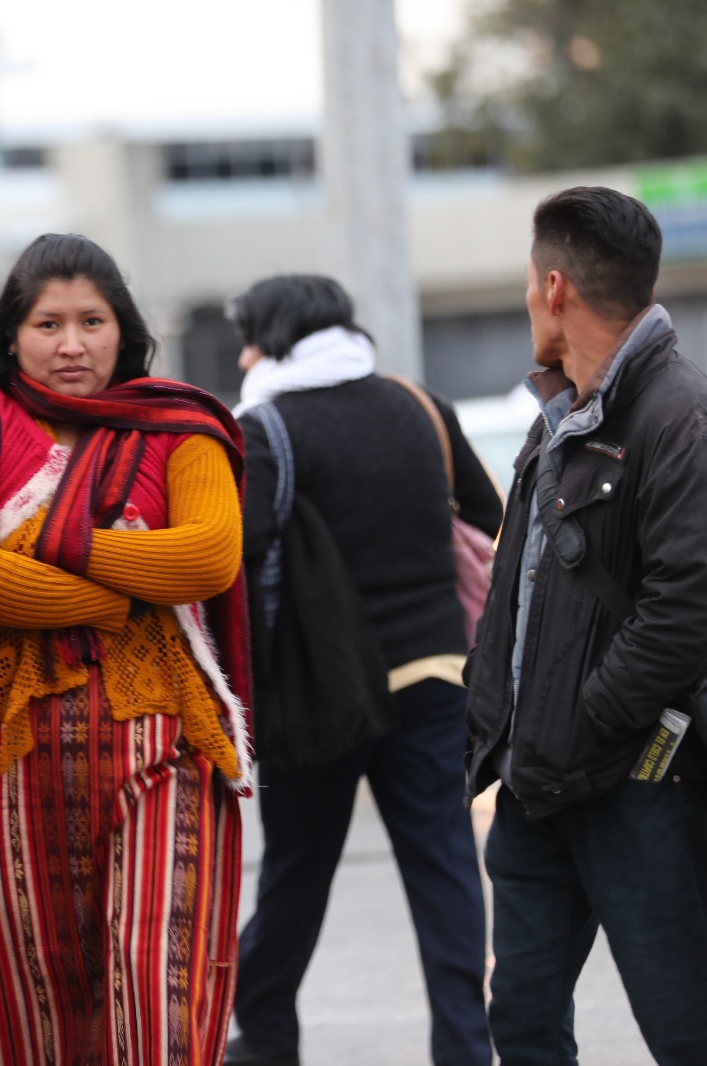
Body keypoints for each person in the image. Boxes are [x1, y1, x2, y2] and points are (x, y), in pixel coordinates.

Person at [0, 233, 254, 1065]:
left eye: (92, 321)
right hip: (16, 753)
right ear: (11, 335)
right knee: (32, 1003)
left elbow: (208, 557)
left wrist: (54, 548)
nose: (72, 345)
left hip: (165, 741)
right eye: (48, 324)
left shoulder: (180, 421)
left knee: (156, 993)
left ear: (124, 328)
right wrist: (129, 589)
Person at [465, 187, 707, 1065]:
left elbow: (699, 597)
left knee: (688, 1028)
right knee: (521, 1019)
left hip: (640, 785)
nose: (526, 300)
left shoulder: (677, 412)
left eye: (526, 283)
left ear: (555, 289)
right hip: (536, 787)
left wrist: (590, 713)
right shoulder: (561, 417)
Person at [224, 275, 500, 1066]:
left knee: (296, 871)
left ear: (275, 337)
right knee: (445, 869)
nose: (245, 352)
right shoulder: (421, 407)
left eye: (248, 335)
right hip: (436, 678)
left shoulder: (265, 429)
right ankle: (463, 1047)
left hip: (318, 694)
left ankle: (268, 1029)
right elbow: (491, 523)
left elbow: (236, 556)